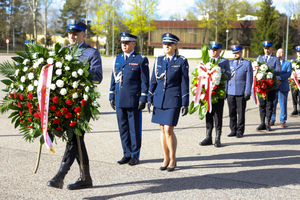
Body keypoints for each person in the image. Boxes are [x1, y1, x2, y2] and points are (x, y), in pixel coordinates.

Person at [47, 19, 103, 190]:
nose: (72, 36)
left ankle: (60, 175)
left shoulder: (92, 53)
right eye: (70, 33)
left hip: (81, 103)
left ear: (83, 35)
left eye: (76, 33)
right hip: (64, 103)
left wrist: (80, 72)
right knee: (78, 140)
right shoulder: (62, 52)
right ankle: (86, 178)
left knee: (74, 137)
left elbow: (98, 77)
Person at [147, 33, 189, 172]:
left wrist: (185, 102)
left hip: (173, 99)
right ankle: (165, 158)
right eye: (165, 44)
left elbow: (184, 82)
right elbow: (154, 80)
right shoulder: (158, 60)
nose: (167, 46)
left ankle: (173, 158)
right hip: (159, 98)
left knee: (168, 129)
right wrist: (149, 97)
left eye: (170, 44)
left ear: (176, 46)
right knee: (161, 129)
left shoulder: (181, 61)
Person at [109, 32, 149, 166]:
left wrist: (144, 98)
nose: (124, 45)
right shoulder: (118, 58)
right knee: (123, 128)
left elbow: (144, 81)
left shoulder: (141, 59)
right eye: (122, 43)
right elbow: (113, 78)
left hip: (133, 99)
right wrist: (111, 95)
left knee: (134, 128)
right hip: (120, 98)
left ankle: (134, 155)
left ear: (133, 44)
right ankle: (126, 153)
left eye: (127, 43)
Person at [200, 41, 230, 147]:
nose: (213, 51)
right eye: (211, 50)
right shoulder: (206, 60)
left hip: (218, 93)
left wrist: (218, 73)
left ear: (220, 51)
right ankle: (208, 137)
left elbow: (228, 75)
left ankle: (218, 138)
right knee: (208, 114)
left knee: (217, 116)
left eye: (215, 50)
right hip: (207, 92)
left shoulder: (224, 61)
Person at [227, 45, 253, 138]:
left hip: (241, 91)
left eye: (237, 53)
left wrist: (247, 92)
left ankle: (240, 131)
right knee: (231, 112)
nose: (235, 54)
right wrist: (226, 91)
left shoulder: (246, 63)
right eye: (234, 53)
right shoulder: (229, 63)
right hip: (230, 91)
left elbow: (249, 79)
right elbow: (226, 78)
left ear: (241, 53)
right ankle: (233, 130)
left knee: (241, 113)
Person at [256, 41, 281, 131]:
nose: (266, 50)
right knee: (262, 104)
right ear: (263, 49)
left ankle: (267, 123)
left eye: (268, 48)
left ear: (271, 49)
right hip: (261, 86)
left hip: (271, 86)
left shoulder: (275, 59)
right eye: (265, 48)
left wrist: (269, 72)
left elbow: (278, 70)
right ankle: (262, 123)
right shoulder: (260, 58)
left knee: (270, 105)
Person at [270, 49, 292, 127]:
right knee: (273, 103)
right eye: (279, 52)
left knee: (283, 104)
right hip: (274, 86)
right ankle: (272, 119)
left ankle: (283, 121)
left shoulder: (288, 63)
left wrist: (279, 77)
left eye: (282, 52)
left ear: (284, 54)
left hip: (283, 86)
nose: (280, 54)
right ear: (276, 53)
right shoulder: (273, 63)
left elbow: (288, 73)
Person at [290, 46, 300, 115]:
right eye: (298, 52)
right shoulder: (293, 61)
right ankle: (295, 109)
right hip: (294, 81)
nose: (299, 53)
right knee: (294, 95)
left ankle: (299, 110)